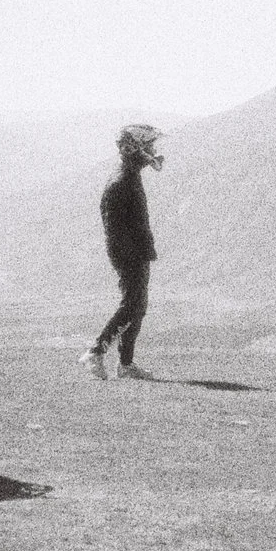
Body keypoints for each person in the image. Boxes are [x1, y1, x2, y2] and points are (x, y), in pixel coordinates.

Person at [81, 124, 163, 381]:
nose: (153, 151)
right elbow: (114, 226)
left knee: (138, 306)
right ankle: (96, 351)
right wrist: (133, 254)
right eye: (149, 145)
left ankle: (126, 364)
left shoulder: (128, 175)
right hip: (129, 252)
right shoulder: (122, 180)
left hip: (134, 250)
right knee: (132, 305)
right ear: (136, 148)